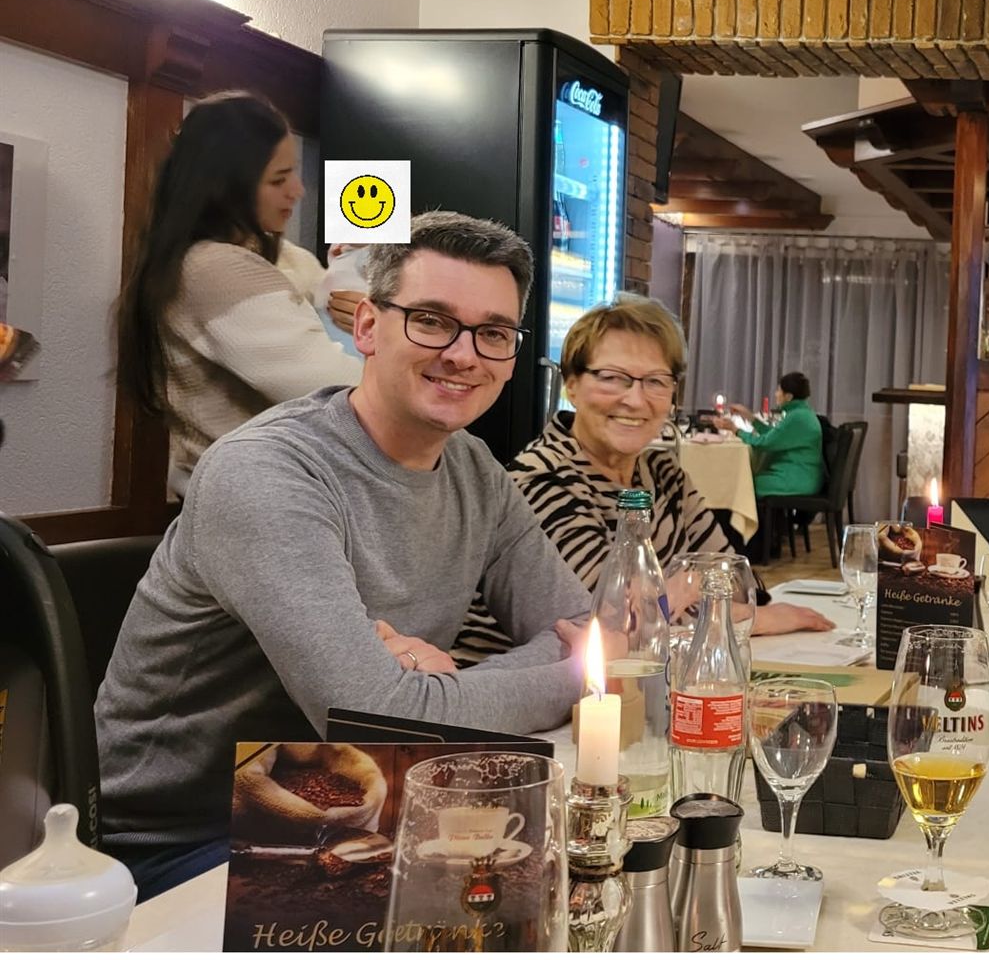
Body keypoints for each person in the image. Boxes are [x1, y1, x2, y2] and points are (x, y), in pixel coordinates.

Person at [95, 212, 609, 900]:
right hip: (180, 843)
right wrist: (580, 677)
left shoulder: (474, 469)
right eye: (431, 320)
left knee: (581, 885)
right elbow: (375, 716)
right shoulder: (267, 472)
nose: (464, 354)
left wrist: (441, 689)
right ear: (366, 326)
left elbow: (576, 622)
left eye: (493, 333)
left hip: (364, 813)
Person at [452, 296, 832, 664]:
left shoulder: (664, 474)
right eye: (612, 378)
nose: (635, 400)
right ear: (572, 385)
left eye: (655, 381)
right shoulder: (540, 480)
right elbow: (610, 629)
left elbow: (738, 585)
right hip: (531, 696)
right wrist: (721, 604)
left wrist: (675, 596)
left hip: (642, 682)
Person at [114, 92, 362, 496]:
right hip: (258, 496)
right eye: (278, 179)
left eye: (294, 173)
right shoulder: (215, 270)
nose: (298, 190)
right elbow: (341, 391)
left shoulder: (277, 257)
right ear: (226, 186)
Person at [729, 371, 824, 498]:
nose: (776, 394)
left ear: (788, 396)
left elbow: (764, 443)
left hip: (797, 478)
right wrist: (750, 417)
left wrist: (736, 430)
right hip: (802, 475)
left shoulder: (796, 417)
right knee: (744, 480)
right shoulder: (801, 413)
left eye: (779, 390)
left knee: (742, 484)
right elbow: (775, 436)